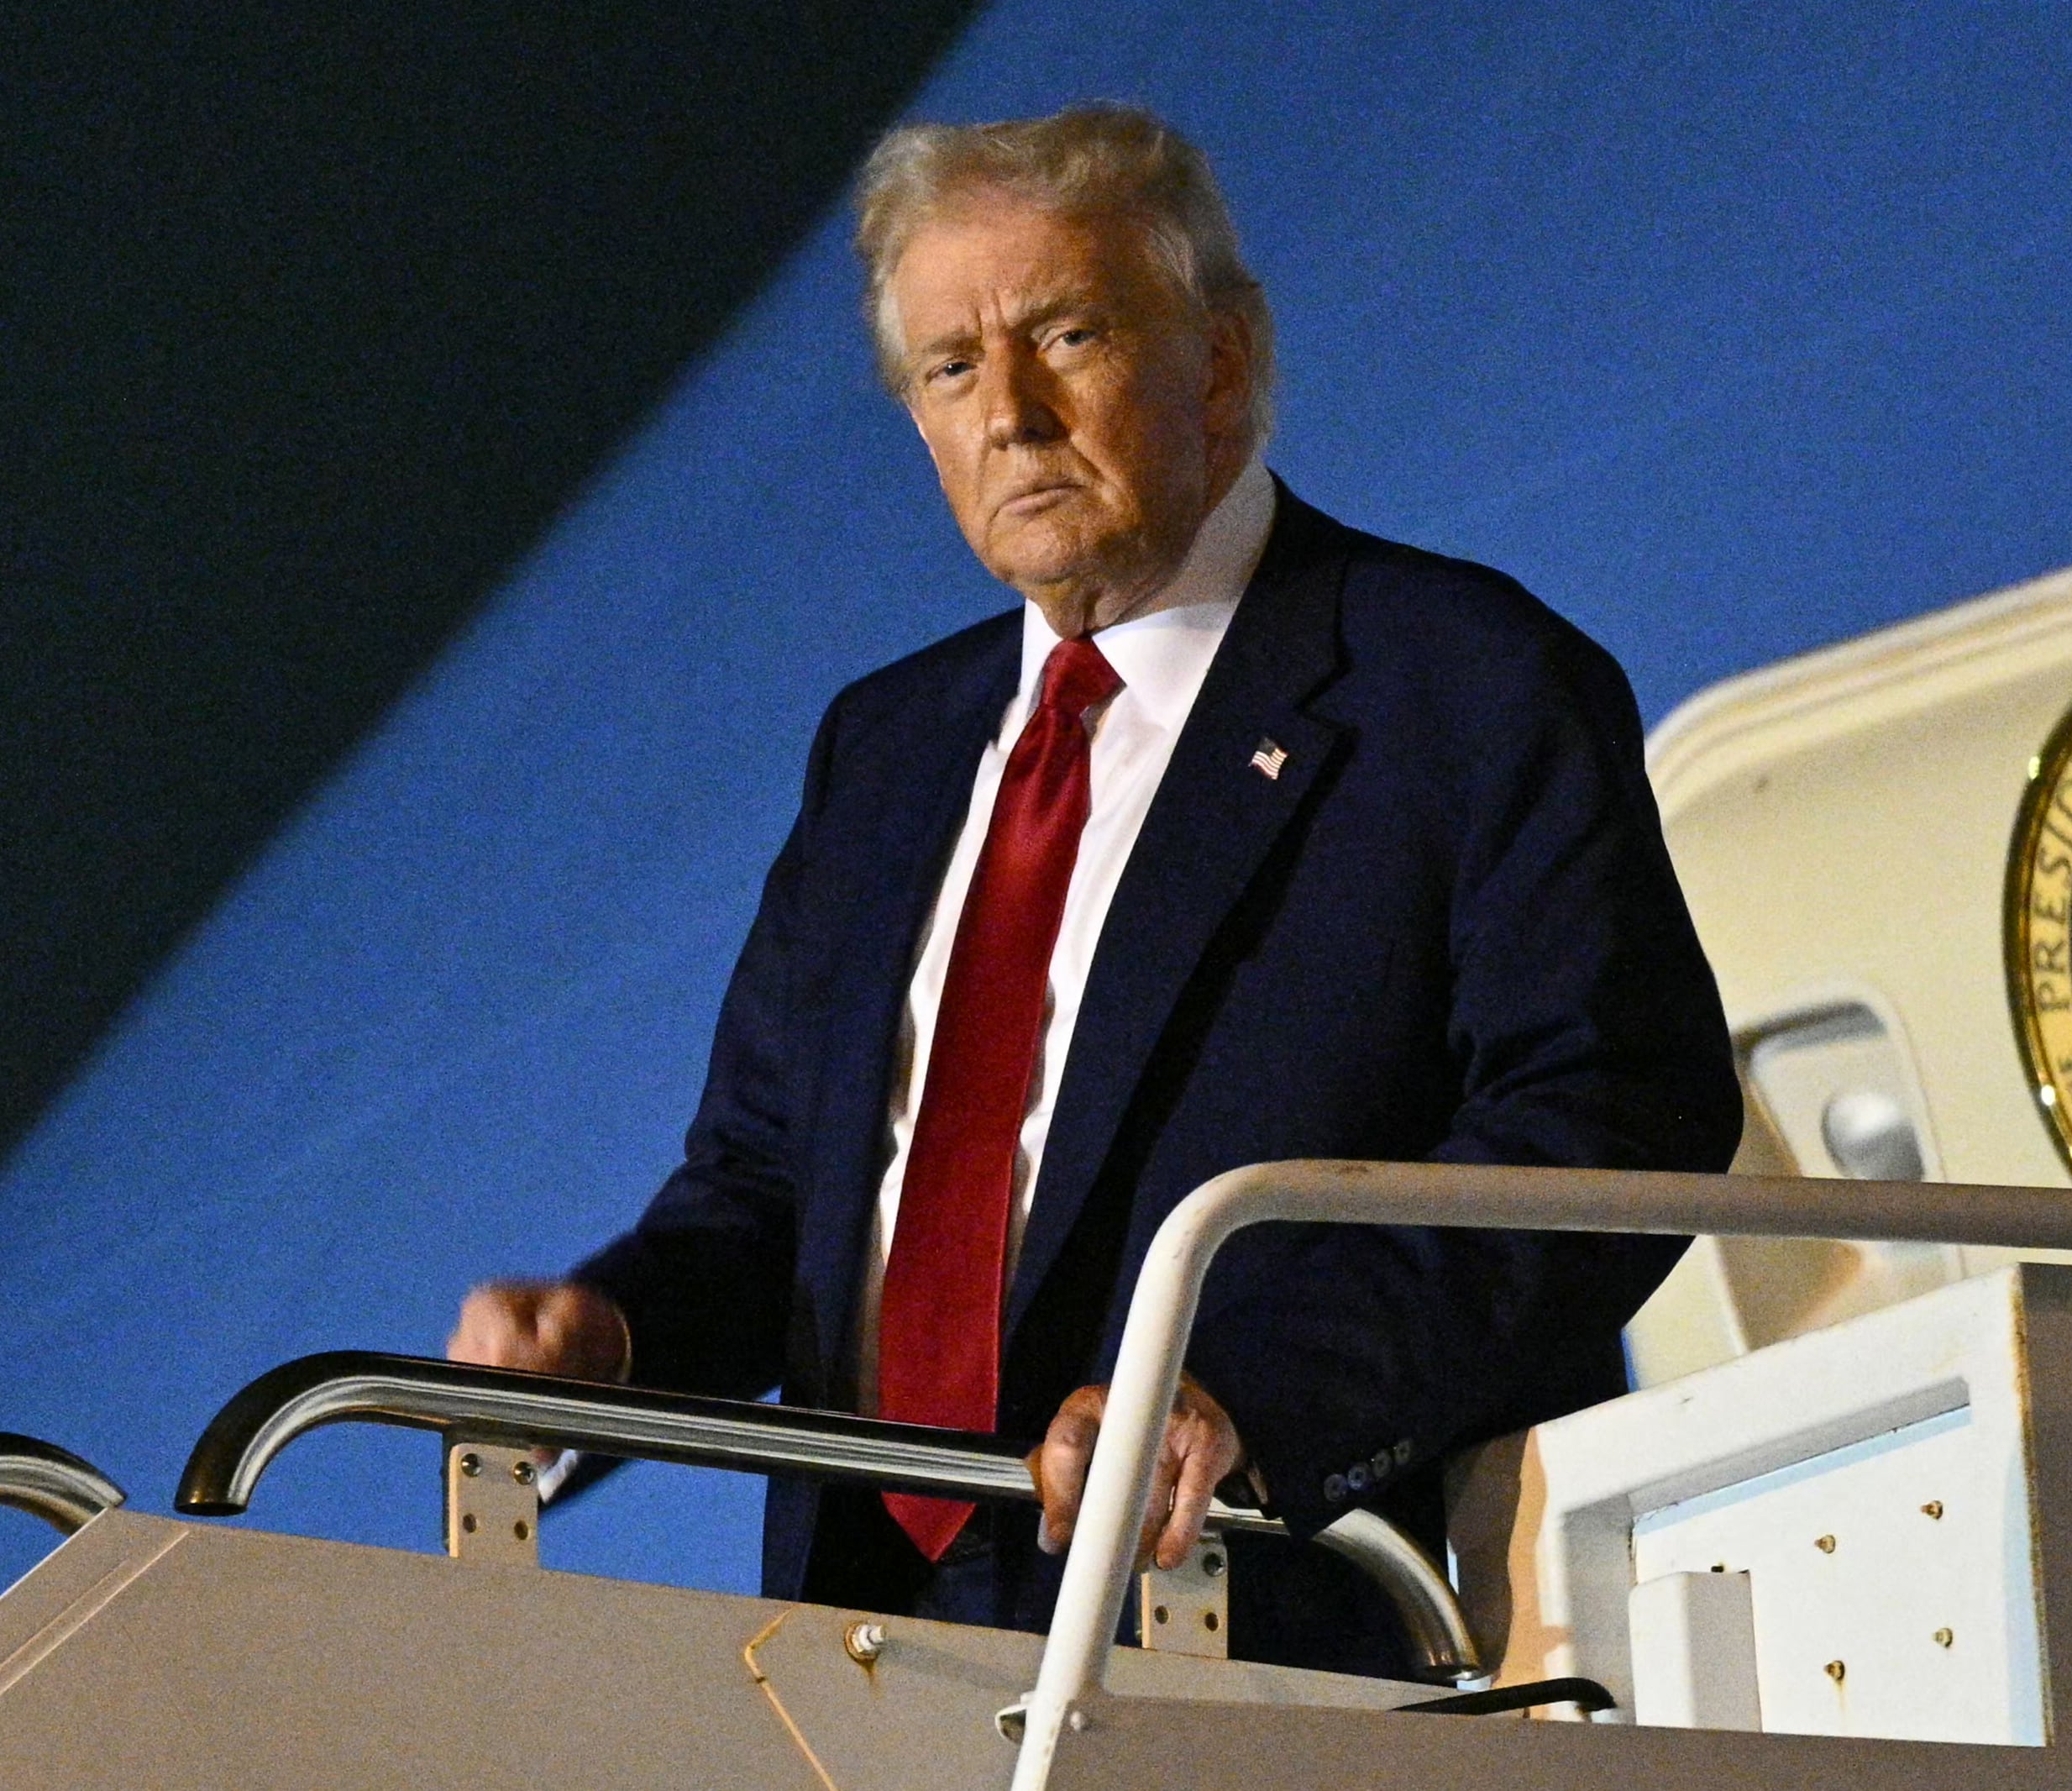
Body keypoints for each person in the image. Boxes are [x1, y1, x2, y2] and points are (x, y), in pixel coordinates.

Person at [448, 103, 1740, 1679]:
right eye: (949, 367)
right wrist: (614, 1339)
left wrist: (1254, 1396)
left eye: (1066, 333)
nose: (1010, 411)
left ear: (1220, 359)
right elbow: (769, 1195)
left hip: (1271, 1624)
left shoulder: (1458, 686)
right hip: (872, 1648)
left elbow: (1612, 1116)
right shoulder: (886, 753)